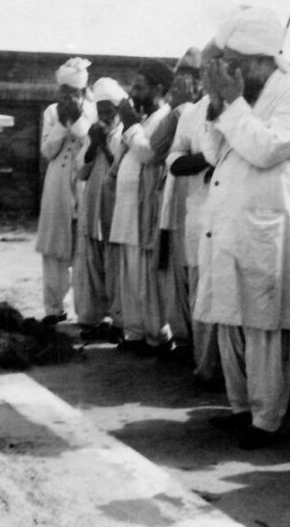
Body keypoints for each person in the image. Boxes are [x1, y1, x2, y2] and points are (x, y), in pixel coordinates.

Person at [195, 7, 290, 449]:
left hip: (267, 227)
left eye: (235, 61)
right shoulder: (240, 94)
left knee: (263, 325)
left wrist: (231, 104)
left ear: (259, 59)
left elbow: (266, 150)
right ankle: (240, 407)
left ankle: (267, 420)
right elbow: (214, 153)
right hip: (230, 224)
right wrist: (217, 105)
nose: (229, 69)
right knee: (229, 318)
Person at [166, 40, 223, 387]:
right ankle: (205, 369)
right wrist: (205, 160)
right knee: (200, 295)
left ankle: (235, 379)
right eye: (206, 69)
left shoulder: (248, 108)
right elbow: (174, 158)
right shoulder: (191, 113)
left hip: (234, 220)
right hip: (199, 217)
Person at [109, 60, 172, 352]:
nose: (133, 92)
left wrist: (131, 124)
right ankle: (133, 332)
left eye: (139, 87)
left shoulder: (165, 118)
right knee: (128, 271)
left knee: (145, 274)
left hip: (145, 208)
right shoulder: (140, 118)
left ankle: (153, 335)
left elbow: (148, 154)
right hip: (126, 207)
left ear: (158, 89)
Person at [149, 47, 203, 350]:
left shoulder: (200, 112)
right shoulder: (177, 114)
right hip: (171, 197)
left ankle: (193, 341)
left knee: (189, 268)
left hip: (193, 200)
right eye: (179, 76)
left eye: (189, 77)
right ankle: (183, 338)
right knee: (173, 270)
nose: (181, 84)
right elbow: (157, 149)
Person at [35, 57, 95, 321]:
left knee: (84, 248)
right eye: (64, 92)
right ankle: (54, 308)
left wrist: (78, 119)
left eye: (72, 92)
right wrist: (61, 122)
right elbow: (47, 150)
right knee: (54, 246)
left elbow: (91, 144)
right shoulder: (50, 112)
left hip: (84, 182)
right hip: (57, 184)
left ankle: (86, 312)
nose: (67, 97)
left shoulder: (94, 111)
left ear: (82, 91)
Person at [74, 77, 128, 339]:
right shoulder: (93, 133)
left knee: (114, 265)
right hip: (93, 206)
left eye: (110, 112)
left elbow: (119, 168)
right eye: (102, 111)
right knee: (93, 263)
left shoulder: (124, 135)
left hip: (115, 207)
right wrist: (94, 143)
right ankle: (93, 318)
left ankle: (118, 322)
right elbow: (81, 172)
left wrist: (104, 144)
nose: (105, 116)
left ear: (118, 112)